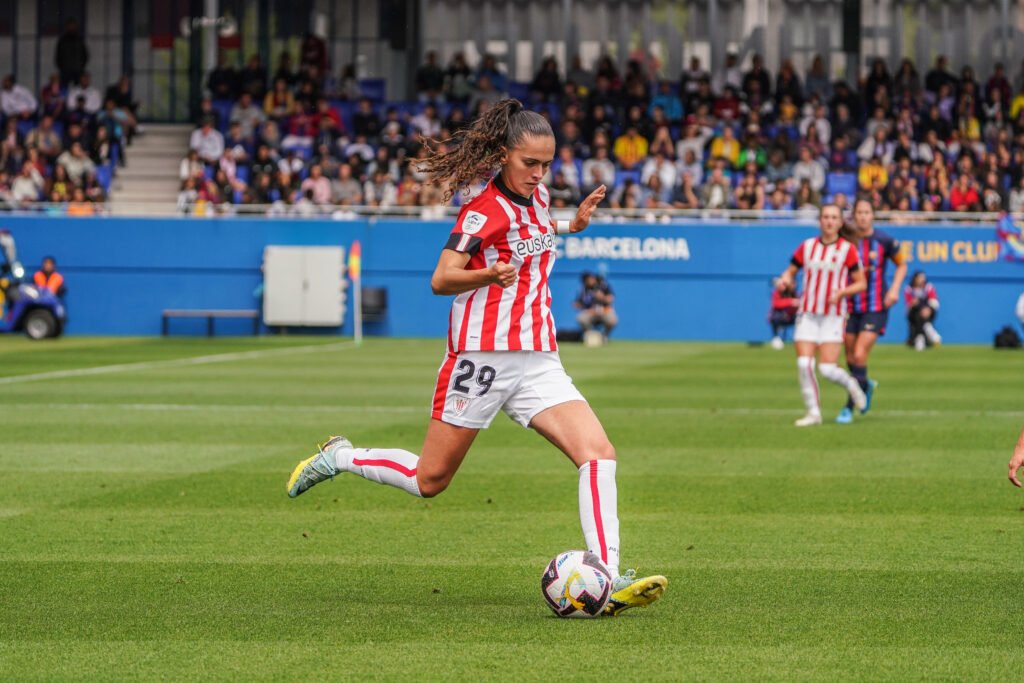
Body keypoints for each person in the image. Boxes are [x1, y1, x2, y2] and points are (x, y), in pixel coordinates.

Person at [286, 98, 667, 616]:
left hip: (537, 357)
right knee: (430, 480)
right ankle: (341, 456)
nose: (539, 173)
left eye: (547, 164)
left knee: (598, 454)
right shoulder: (482, 211)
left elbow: (532, 234)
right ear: (504, 154)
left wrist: (570, 227)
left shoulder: (538, 198)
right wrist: (488, 273)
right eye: (530, 163)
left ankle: (607, 574)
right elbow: (441, 278)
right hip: (481, 358)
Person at [776, 204, 868, 427]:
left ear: (840, 222)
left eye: (834, 217)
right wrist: (785, 280)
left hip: (833, 315)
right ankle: (813, 412)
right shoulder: (807, 246)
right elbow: (791, 270)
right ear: (820, 220)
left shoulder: (847, 250)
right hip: (808, 313)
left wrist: (842, 293)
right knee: (804, 363)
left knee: (827, 369)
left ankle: (853, 385)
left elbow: (861, 283)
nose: (829, 221)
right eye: (825, 217)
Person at [836, 200, 908, 424]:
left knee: (859, 354)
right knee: (850, 358)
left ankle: (849, 407)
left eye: (866, 212)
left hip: (876, 307)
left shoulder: (884, 240)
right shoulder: (846, 240)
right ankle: (865, 384)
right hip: (850, 306)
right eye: (859, 212)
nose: (863, 216)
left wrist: (894, 289)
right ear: (854, 215)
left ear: (873, 215)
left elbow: (902, 264)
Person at [904, 271, 941, 350]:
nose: (922, 279)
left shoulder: (928, 287)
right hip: (914, 313)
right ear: (915, 278)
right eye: (920, 277)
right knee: (918, 313)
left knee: (922, 315)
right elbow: (908, 305)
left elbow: (934, 301)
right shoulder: (909, 289)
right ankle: (926, 331)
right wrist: (914, 303)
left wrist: (929, 309)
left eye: (923, 277)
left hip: (929, 311)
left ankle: (921, 337)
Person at [574, 272, 618, 340]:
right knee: (580, 318)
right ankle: (591, 335)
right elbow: (578, 303)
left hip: (604, 311)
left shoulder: (603, 286)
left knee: (613, 319)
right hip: (591, 313)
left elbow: (611, 299)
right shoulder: (583, 289)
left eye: (591, 278)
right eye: (588, 280)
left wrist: (602, 297)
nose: (591, 280)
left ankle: (604, 336)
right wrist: (580, 306)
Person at [769, 278, 798, 350]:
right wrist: (790, 301)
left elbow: (797, 306)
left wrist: (788, 313)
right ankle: (776, 338)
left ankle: (798, 339)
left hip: (791, 316)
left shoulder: (794, 293)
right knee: (776, 317)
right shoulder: (777, 293)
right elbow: (776, 304)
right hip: (780, 317)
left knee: (800, 319)